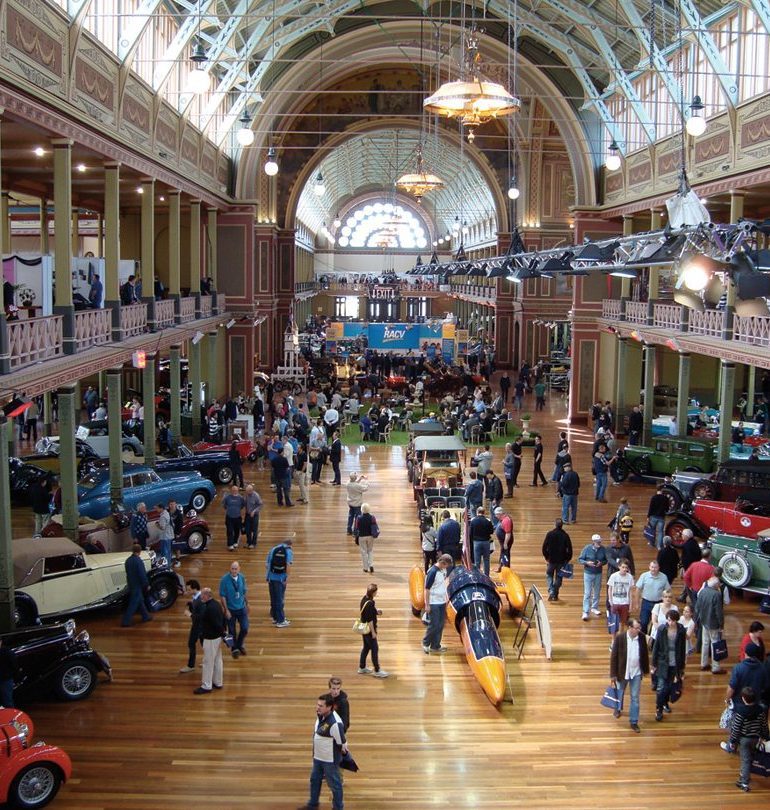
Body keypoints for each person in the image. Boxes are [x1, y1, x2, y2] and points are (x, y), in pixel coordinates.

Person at [299, 693, 347, 810]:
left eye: (321, 706)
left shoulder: (335, 723)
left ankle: (338, 808)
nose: (317, 707)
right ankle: (313, 805)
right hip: (318, 757)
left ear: (329, 707)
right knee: (315, 780)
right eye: (317, 704)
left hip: (329, 761)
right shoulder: (320, 715)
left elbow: (341, 742)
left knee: (335, 785)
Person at [720, 686, 770, 792]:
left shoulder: (741, 712)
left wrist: (733, 741)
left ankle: (744, 782)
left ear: (743, 698)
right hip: (755, 738)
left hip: (744, 740)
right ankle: (747, 775)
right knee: (750, 757)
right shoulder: (760, 711)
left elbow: (736, 728)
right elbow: (764, 725)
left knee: (745, 760)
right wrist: (766, 736)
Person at [610, 617, 650, 733]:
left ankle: (634, 721)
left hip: (636, 672)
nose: (639, 630)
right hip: (622, 672)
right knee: (619, 692)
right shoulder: (620, 638)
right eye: (636, 628)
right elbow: (614, 657)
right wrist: (613, 674)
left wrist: (646, 670)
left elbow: (644, 654)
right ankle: (617, 708)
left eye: (639, 628)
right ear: (630, 628)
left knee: (635, 698)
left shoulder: (641, 637)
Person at [651, 608, 687, 721]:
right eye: (669, 620)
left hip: (675, 662)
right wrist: (654, 663)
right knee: (661, 687)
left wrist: (681, 667)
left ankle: (665, 703)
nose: (670, 622)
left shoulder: (681, 630)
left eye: (672, 620)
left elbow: (682, 648)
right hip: (663, 662)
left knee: (670, 686)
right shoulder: (662, 629)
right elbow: (656, 646)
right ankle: (659, 709)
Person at [194, 587, 225, 695]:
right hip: (217, 638)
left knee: (208, 662)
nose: (201, 597)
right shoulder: (216, 605)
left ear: (207, 595)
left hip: (210, 638)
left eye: (202, 595)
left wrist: (191, 615)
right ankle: (218, 682)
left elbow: (208, 621)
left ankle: (206, 685)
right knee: (217, 660)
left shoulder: (209, 608)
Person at [422, 554, 452, 655]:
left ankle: (435, 645)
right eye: (446, 565)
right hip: (434, 602)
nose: (446, 567)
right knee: (433, 624)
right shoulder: (432, 572)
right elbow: (426, 589)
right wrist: (427, 604)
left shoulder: (443, 571)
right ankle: (426, 643)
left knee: (440, 624)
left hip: (442, 601)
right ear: (442, 563)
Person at [357, 583, 389, 678]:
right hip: (370, 630)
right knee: (375, 649)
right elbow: (370, 620)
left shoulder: (365, 599)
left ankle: (362, 667)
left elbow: (367, 613)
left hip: (364, 629)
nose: (376, 593)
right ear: (373, 592)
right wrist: (373, 633)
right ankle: (377, 670)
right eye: (376, 592)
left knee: (366, 648)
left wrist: (376, 612)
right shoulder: (370, 604)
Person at [725, 642, 770, 707]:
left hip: (739, 704)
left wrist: (727, 700)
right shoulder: (763, 668)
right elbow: (765, 686)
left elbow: (731, 688)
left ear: (745, 653)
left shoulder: (738, 668)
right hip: (755, 704)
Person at [219, 561, 249, 658]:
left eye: (236, 569)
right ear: (230, 569)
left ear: (239, 569)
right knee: (231, 631)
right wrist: (226, 610)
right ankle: (234, 649)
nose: (234, 571)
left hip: (241, 607)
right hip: (230, 609)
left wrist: (247, 604)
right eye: (232, 568)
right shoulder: (224, 579)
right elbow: (222, 596)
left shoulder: (242, 577)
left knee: (245, 628)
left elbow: (244, 592)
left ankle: (239, 645)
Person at [697, 576, 725, 674]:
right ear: (716, 585)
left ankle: (703, 664)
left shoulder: (703, 591)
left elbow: (697, 607)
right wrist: (721, 624)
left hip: (704, 621)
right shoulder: (716, 594)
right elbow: (719, 612)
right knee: (715, 643)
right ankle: (716, 667)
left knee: (705, 643)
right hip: (713, 623)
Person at [635, 560, 671, 634]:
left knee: (656, 623)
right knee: (644, 622)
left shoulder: (663, 577)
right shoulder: (644, 576)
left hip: (658, 603)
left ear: (658, 568)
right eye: (652, 567)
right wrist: (637, 603)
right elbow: (638, 589)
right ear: (649, 567)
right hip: (646, 602)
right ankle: (644, 639)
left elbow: (668, 590)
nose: (653, 569)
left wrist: (667, 603)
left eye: (655, 567)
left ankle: (652, 641)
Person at [542, 518, 573, 602]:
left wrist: (546, 557)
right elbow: (569, 549)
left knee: (549, 575)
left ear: (555, 525)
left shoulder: (550, 534)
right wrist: (567, 559)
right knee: (559, 577)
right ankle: (555, 593)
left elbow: (544, 547)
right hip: (562, 561)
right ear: (562, 525)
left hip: (551, 560)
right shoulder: (565, 535)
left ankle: (551, 591)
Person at [120, 544, 151, 627]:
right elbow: (142, 574)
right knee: (133, 603)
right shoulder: (138, 561)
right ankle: (126, 621)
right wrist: (146, 584)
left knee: (140, 600)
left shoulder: (128, 560)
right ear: (139, 551)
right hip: (137, 584)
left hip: (131, 583)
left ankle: (146, 616)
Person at [579, 533, 608, 620]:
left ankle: (594, 607)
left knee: (597, 592)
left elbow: (606, 560)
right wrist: (587, 563)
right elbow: (580, 559)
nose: (599, 543)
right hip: (588, 573)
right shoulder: (587, 548)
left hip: (598, 573)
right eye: (597, 542)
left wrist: (601, 563)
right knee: (587, 593)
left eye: (600, 542)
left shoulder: (603, 549)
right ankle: (585, 611)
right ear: (593, 542)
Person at [179, 579, 204, 674]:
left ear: (195, 589)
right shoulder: (196, 597)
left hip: (198, 626)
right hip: (201, 626)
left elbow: (200, 616)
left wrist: (189, 614)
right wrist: (191, 604)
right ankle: (208, 661)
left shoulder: (200, 600)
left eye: (189, 590)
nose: (187, 592)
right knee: (203, 644)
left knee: (191, 643)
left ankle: (191, 665)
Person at [607, 559, 635, 629]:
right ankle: (613, 639)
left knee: (623, 622)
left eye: (626, 567)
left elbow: (630, 592)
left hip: (625, 603)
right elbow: (609, 589)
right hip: (615, 602)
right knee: (613, 622)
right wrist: (610, 601)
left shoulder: (630, 577)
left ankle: (620, 637)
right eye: (623, 567)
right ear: (619, 567)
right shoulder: (613, 576)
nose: (624, 569)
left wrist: (631, 605)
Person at [469, 506, 495, 576]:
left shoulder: (473, 521)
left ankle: (477, 576)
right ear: (484, 512)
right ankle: (487, 575)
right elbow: (491, 531)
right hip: (486, 542)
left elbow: (470, 533)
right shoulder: (488, 521)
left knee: (477, 561)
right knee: (486, 560)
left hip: (476, 542)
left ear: (477, 512)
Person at [354, 503, 379, 574]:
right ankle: (371, 565)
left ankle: (365, 568)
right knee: (370, 551)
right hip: (370, 536)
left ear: (362, 510)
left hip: (362, 537)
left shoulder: (358, 518)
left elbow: (356, 528)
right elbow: (375, 526)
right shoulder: (372, 517)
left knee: (363, 552)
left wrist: (355, 536)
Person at [222, 485, 246, 549]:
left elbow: (243, 505)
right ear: (231, 491)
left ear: (237, 490)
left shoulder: (241, 498)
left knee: (237, 531)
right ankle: (230, 544)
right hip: (229, 517)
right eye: (233, 490)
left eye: (235, 490)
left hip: (238, 517)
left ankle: (235, 542)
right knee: (229, 531)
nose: (234, 491)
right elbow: (224, 505)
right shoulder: (227, 497)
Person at [493, 506, 514, 570]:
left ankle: (506, 570)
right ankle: (500, 568)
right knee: (503, 554)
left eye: (496, 514)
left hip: (506, 541)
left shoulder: (506, 521)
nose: (495, 516)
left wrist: (505, 543)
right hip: (503, 541)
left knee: (505, 555)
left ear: (500, 514)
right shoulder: (502, 520)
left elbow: (508, 533)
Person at [0, 637, 18, 708]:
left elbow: (14, 666)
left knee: (7, 702)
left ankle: (10, 718)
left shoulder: (7, 652)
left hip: (5, 680)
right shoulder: (8, 652)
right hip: (6, 680)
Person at [156, 502, 175, 568]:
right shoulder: (167, 513)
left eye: (157, 508)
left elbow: (162, 527)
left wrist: (157, 525)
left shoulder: (163, 516)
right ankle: (168, 564)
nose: (156, 510)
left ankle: (165, 566)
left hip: (165, 537)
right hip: (168, 536)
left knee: (165, 552)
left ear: (161, 508)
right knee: (168, 551)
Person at [243, 484, 262, 548]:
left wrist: (254, 511)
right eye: (246, 491)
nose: (247, 492)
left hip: (254, 515)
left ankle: (254, 543)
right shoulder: (246, 495)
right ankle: (248, 542)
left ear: (251, 490)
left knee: (254, 529)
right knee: (247, 529)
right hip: (247, 514)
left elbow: (260, 505)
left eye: (248, 491)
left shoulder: (256, 496)